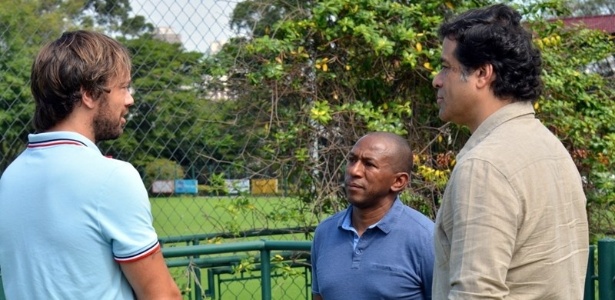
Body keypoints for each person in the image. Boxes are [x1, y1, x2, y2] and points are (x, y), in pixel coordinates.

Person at [0, 30, 181, 299]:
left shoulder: (10, 177)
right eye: (123, 87)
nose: (129, 99)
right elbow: (162, 295)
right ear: (88, 93)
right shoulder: (112, 178)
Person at [431, 4, 589, 299]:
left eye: (447, 67)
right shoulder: (549, 147)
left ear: (482, 73)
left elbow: (476, 293)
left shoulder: (485, 164)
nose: (437, 80)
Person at [311, 132, 435, 300]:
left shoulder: (426, 238)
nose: (354, 171)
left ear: (398, 182)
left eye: (369, 164)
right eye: (352, 160)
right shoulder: (325, 232)